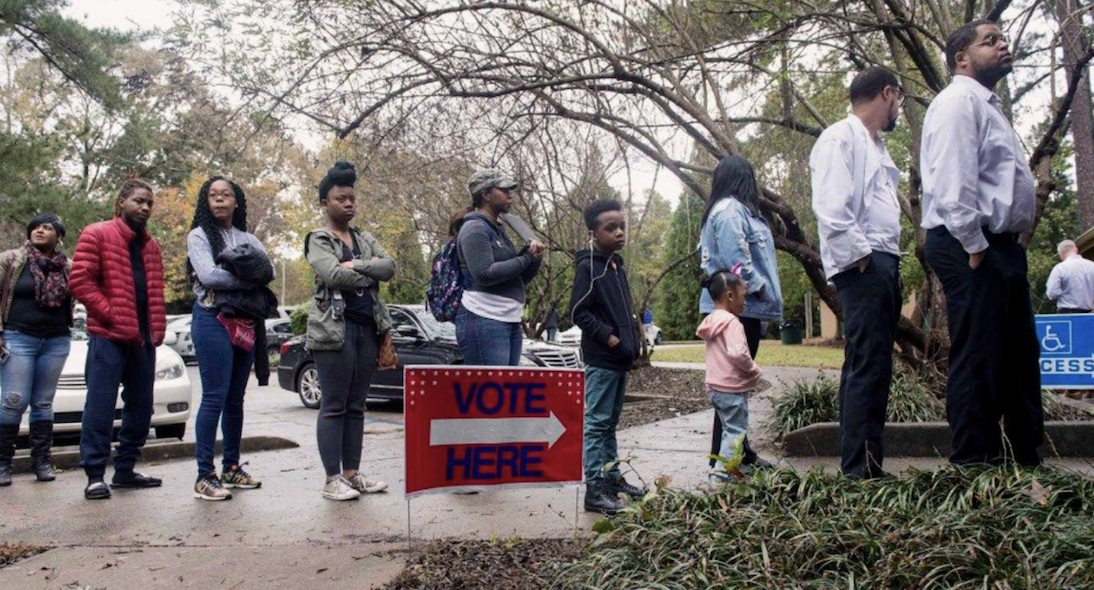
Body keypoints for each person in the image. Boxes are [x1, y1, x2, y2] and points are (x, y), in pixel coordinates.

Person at [922, 20, 1043, 466]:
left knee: (1020, 355)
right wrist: (975, 245)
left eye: (1003, 38)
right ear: (962, 58)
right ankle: (974, 465)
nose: (1002, 44)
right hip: (970, 244)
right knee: (980, 355)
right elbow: (954, 185)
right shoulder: (957, 103)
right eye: (990, 41)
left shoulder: (989, 106)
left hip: (1001, 246)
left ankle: (1026, 459)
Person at [810, 66, 904, 479]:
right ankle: (858, 470)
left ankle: (866, 463)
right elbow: (833, 207)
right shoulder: (839, 137)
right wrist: (862, 258)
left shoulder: (876, 145)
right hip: (864, 264)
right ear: (887, 93)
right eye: (899, 99)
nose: (899, 107)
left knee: (873, 363)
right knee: (868, 363)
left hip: (882, 260)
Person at [70, 179, 168, 500]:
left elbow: (154, 293)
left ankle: (125, 470)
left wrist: (152, 329)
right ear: (121, 202)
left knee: (141, 407)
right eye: (139, 201)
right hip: (108, 336)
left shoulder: (151, 247)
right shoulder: (97, 233)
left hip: (143, 338)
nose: (145, 207)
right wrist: (111, 312)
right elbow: (81, 281)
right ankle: (95, 475)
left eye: (149, 203)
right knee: (100, 405)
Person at [305, 161, 393, 501]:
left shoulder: (363, 238)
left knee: (357, 405)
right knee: (334, 405)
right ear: (326, 203)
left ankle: (352, 474)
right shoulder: (318, 239)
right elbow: (332, 275)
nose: (349, 203)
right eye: (341, 198)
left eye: (352, 198)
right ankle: (331, 480)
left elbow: (390, 268)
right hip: (333, 332)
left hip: (367, 328)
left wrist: (357, 265)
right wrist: (370, 273)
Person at [187, 176, 274, 500]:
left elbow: (271, 272)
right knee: (214, 397)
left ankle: (232, 468)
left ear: (236, 201)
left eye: (226, 195)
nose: (220, 199)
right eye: (213, 195)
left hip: (245, 322)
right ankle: (204, 475)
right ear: (206, 201)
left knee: (235, 399)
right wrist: (249, 277)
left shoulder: (248, 238)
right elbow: (209, 276)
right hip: (212, 319)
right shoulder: (199, 236)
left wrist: (246, 276)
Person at [699, 155, 782, 470]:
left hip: (736, 305)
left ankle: (733, 455)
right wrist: (758, 288)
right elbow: (737, 261)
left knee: (730, 385)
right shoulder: (732, 211)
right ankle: (731, 460)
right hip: (739, 308)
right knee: (732, 384)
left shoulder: (721, 211)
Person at [569, 199, 646, 514]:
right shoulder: (590, 267)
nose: (618, 233)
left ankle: (613, 478)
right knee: (597, 423)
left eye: (622, 227)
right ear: (593, 233)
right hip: (602, 359)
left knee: (611, 421)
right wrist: (611, 338)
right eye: (610, 228)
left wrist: (631, 342)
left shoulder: (616, 266)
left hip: (619, 360)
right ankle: (595, 488)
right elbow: (578, 312)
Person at [0, 214, 73, 487]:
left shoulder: (67, 266)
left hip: (55, 340)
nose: (40, 230)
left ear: (59, 236)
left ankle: (41, 463)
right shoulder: (11, 260)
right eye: (36, 227)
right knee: (13, 400)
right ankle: (3, 463)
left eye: (48, 227)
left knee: (43, 403)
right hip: (18, 337)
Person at [455, 168, 544, 366]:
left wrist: (534, 258)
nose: (509, 194)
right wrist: (526, 258)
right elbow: (484, 274)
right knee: (491, 393)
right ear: (486, 194)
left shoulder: (499, 230)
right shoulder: (474, 228)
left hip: (510, 320)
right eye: (503, 190)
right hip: (484, 319)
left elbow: (517, 279)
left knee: (506, 392)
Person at [697, 269, 761, 484]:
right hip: (732, 389)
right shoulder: (732, 322)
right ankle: (719, 477)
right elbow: (738, 353)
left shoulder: (712, 321)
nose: (745, 302)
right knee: (735, 433)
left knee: (727, 431)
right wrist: (753, 369)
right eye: (744, 296)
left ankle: (723, 472)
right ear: (730, 296)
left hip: (716, 388)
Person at [1046, 240, 1094, 313]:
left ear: (1061, 253)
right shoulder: (1092, 266)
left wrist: (1065, 295)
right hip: (1088, 313)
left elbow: (1052, 293)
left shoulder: (1059, 268)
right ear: (1076, 250)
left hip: (1066, 312)